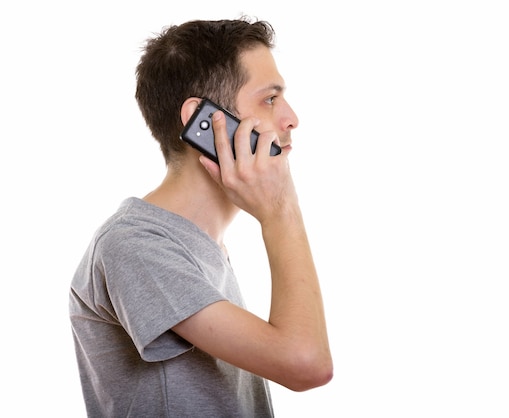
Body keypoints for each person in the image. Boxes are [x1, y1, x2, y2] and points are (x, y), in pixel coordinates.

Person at [69, 17, 333, 417]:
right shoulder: (137, 245)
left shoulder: (200, 244)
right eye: (269, 99)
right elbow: (306, 364)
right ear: (205, 120)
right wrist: (282, 213)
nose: (291, 117)